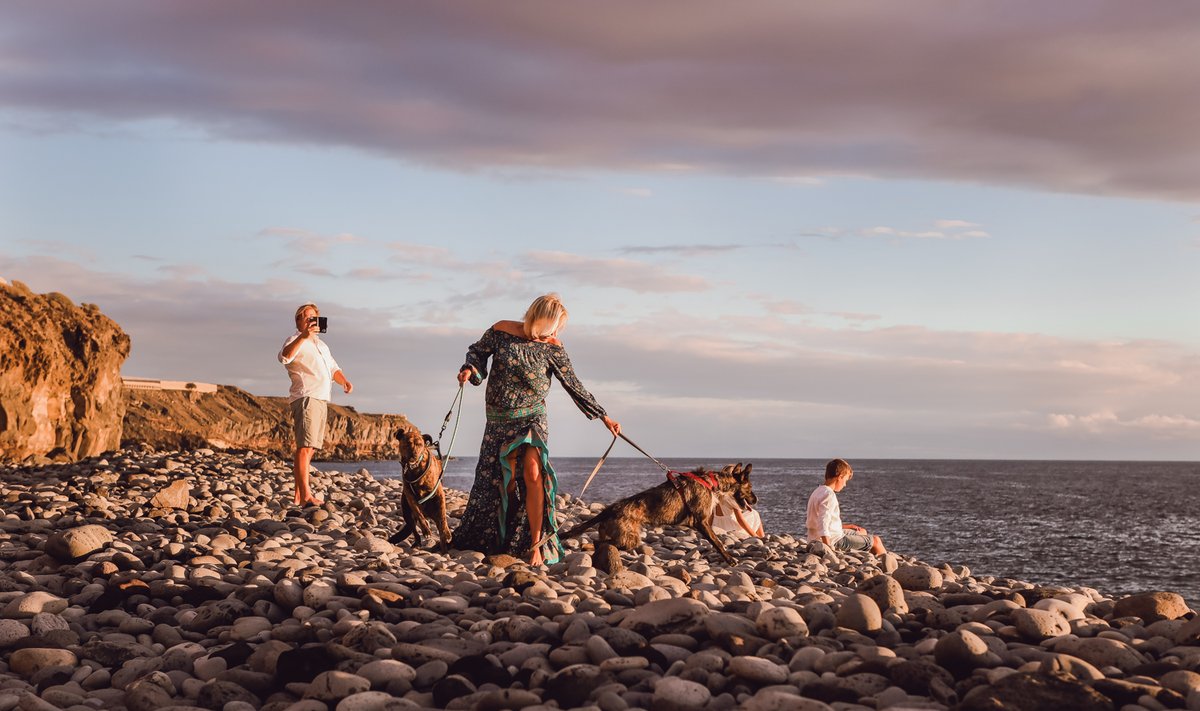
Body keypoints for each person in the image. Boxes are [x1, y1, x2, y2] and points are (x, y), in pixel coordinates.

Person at [452, 294, 620, 566]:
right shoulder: (502, 330)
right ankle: (501, 540)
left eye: (558, 328)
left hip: (533, 415)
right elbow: (478, 352)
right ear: (537, 318)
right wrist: (470, 370)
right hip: (499, 416)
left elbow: (573, 384)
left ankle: (536, 545)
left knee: (533, 472)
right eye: (552, 325)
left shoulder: (553, 347)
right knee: (502, 481)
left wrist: (604, 417)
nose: (555, 332)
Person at [278, 303, 353, 507]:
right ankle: (305, 496)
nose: (312, 321)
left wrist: (344, 381)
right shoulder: (295, 339)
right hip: (306, 396)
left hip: (321, 398)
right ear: (300, 321)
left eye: (314, 318)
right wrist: (303, 336)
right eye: (308, 318)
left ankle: (297, 495)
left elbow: (333, 368)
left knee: (310, 449)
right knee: (304, 447)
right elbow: (284, 357)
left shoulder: (321, 345)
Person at [806, 458, 885, 554]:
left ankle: (868, 555)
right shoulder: (829, 495)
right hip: (833, 540)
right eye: (845, 480)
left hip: (814, 537)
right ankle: (887, 564)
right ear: (840, 476)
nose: (845, 485)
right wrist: (828, 549)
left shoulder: (818, 491)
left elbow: (816, 521)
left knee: (862, 532)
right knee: (876, 541)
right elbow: (823, 523)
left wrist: (847, 526)